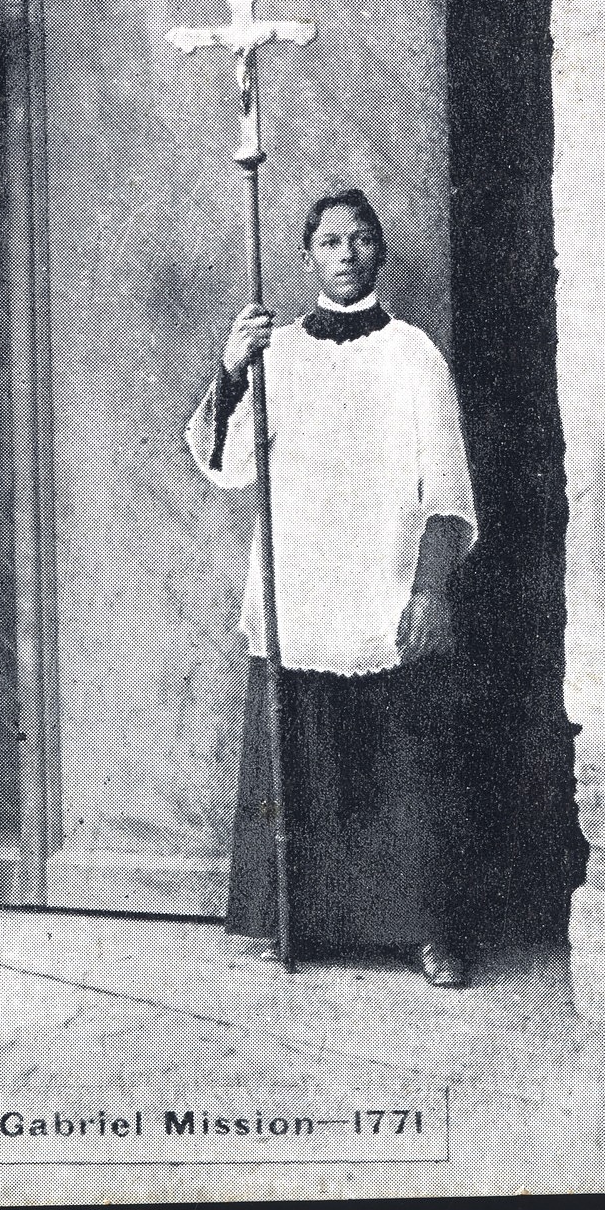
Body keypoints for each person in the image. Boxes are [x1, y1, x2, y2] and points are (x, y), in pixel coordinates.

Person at [186, 188, 477, 985]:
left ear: (379, 251)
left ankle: (424, 931)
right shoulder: (277, 354)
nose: (345, 254)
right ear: (307, 256)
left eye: (359, 239)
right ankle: (301, 919)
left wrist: (429, 591)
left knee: (403, 773)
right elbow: (226, 464)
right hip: (304, 587)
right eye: (328, 242)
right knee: (303, 763)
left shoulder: (415, 355)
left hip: (383, 585)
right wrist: (233, 367)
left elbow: (447, 489)